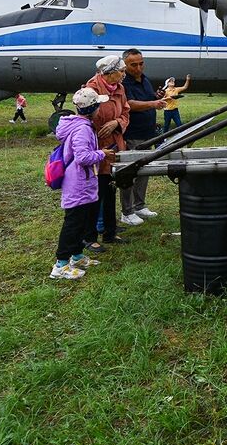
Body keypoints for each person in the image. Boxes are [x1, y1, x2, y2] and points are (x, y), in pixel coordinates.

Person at [49, 87, 116, 280]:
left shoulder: (81, 125)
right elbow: (82, 157)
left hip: (84, 181)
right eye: (98, 106)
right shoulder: (83, 129)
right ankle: (60, 265)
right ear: (93, 108)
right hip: (78, 182)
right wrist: (103, 153)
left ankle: (77, 256)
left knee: (82, 222)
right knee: (73, 224)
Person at [85, 55, 130, 247]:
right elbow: (84, 117)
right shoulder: (90, 90)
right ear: (110, 73)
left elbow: (125, 113)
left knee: (111, 190)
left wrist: (116, 123)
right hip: (97, 149)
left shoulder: (120, 88)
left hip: (115, 147)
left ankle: (110, 233)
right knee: (96, 194)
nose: (124, 74)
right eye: (121, 71)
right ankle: (90, 237)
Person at [119, 48, 167, 225]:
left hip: (148, 133)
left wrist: (157, 96)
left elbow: (148, 98)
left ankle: (140, 205)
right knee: (130, 172)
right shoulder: (124, 83)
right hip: (133, 133)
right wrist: (152, 103)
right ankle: (127, 211)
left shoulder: (145, 80)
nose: (138, 68)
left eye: (141, 63)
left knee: (144, 171)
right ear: (125, 64)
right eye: (133, 65)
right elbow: (129, 104)